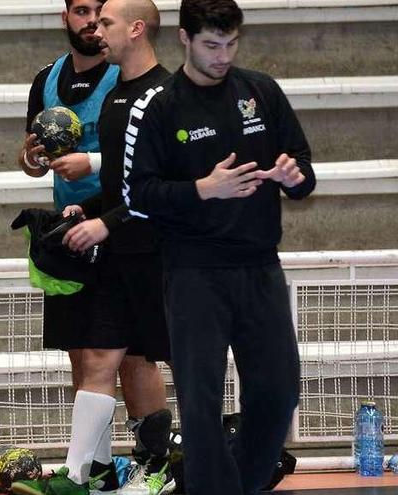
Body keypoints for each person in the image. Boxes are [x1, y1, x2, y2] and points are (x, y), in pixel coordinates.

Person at [123, 0, 315, 492]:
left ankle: (240, 486)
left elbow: (302, 168)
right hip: (194, 273)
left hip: (259, 268)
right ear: (184, 38)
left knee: (278, 393)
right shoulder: (159, 105)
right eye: (212, 44)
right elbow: (137, 195)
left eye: (231, 43)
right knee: (201, 405)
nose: (223, 55)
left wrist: (293, 177)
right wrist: (202, 189)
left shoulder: (261, 91)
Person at [14, 0, 168, 493]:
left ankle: (157, 463)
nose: (94, 26)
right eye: (84, 13)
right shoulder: (54, 78)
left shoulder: (150, 88)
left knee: (135, 357)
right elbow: (34, 151)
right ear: (65, 16)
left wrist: (94, 173)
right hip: (81, 230)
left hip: (136, 238)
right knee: (89, 354)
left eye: (103, 18)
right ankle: (92, 472)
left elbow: (148, 170)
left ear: (133, 27)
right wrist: (36, 161)